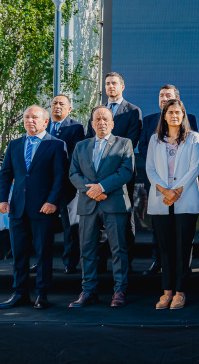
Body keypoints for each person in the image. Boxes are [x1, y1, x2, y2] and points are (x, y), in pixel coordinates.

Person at [0, 106, 68, 310]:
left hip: (43, 209)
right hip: (17, 209)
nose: (30, 121)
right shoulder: (15, 144)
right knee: (19, 253)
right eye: (27, 117)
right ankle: (20, 293)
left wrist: (53, 201)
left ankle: (42, 294)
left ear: (46, 121)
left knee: (43, 253)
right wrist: (2, 199)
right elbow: (6, 174)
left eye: (35, 117)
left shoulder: (56, 145)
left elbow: (60, 177)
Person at [68, 107, 135, 308]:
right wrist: (91, 190)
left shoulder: (124, 143)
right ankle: (88, 291)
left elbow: (126, 171)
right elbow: (73, 173)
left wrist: (102, 187)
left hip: (114, 203)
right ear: (92, 123)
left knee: (118, 249)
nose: (101, 122)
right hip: (88, 204)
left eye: (105, 119)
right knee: (87, 249)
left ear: (112, 123)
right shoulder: (81, 146)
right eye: (97, 119)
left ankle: (120, 291)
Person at [145, 99, 199, 310]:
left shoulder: (194, 138)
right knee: (165, 249)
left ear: (183, 115)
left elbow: (194, 168)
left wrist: (176, 191)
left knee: (183, 248)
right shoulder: (155, 140)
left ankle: (180, 291)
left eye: (178, 112)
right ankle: (166, 291)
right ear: (164, 115)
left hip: (184, 199)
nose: (174, 116)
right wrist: (164, 191)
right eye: (170, 112)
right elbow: (150, 170)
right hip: (161, 200)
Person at [137, 85, 199, 276]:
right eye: (161, 95)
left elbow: (193, 157)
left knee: (183, 236)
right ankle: (159, 262)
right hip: (159, 185)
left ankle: (182, 270)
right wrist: (163, 185)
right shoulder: (149, 122)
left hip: (183, 190)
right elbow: (144, 147)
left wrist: (177, 189)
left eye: (168, 96)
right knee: (160, 230)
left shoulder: (191, 124)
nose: (164, 98)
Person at [86, 72, 142, 270]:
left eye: (114, 83)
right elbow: (88, 142)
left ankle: (126, 263)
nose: (110, 86)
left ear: (122, 87)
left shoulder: (133, 111)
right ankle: (100, 263)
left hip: (121, 175)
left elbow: (131, 142)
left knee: (125, 220)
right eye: (108, 83)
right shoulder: (96, 110)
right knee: (98, 220)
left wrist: (109, 176)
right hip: (96, 177)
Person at [47, 94, 86, 275]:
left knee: (69, 225)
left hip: (66, 184)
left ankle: (70, 261)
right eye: (54, 103)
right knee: (44, 226)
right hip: (44, 185)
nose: (57, 106)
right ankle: (41, 261)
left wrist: (60, 174)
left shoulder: (76, 127)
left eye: (62, 104)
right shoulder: (43, 126)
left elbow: (76, 155)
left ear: (69, 108)